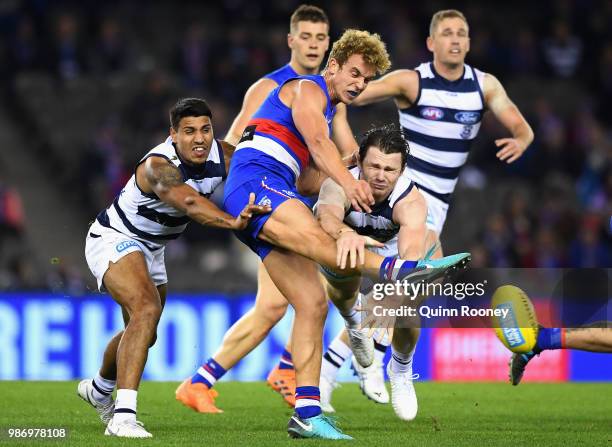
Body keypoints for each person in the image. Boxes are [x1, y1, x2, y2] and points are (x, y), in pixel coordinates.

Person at [203, 29, 468, 440]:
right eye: (356, 74)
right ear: (333, 67)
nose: (360, 85)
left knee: (311, 303)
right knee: (328, 248)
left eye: (366, 80)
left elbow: (308, 179)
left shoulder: (322, 111)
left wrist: (337, 169)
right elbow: (317, 141)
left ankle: (306, 412)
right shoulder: (309, 89)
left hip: (273, 190)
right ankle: (397, 269)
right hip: (256, 185)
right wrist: (348, 180)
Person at [320, 8, 535, 410]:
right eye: (447, 33)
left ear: (469, 43)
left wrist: (521, 138)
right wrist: (341, 133)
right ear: (431, 43)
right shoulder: (411, 81)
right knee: (410, 280)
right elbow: (347, 92)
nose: (455, 39)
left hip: (435, 202)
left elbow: (520, 125)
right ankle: (389, 367)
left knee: (405, 292)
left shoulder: (484, 87)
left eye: (462, 33)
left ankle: (337, 370)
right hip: (398, 190)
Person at [175, 4, 360, 412]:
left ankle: (205, 381)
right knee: (290, 300)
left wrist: (353, 170)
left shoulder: (332, 99)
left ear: (329, 46)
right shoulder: (270, 87)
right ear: (291, 40)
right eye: (306, 37)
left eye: (320, 37)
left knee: (283, 303)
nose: (313, 44)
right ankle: (282, 372)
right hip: (266, 199)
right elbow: (234, 140)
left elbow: (344, 150)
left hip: (303, 203)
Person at [77, 98, 270, 438]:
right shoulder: (157, 166)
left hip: (153, 249)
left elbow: (262, 168)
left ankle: (99, 389)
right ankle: (122, 418)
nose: (199, 139)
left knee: (143, 332)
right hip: (114, 237)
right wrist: (234, 222)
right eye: (189, 131)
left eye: (206, 130)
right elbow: (191, 204)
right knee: (146, 308)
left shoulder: (223, 155)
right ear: (174, 135)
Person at [316, 125, 430, 421]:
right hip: (345, 246)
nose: (381, 176)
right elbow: (325, 216)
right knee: (344, 291)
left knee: (408, 302)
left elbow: (411, 256)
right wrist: (344, 232)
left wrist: (404, 284)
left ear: (402, 171)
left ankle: (401, 369)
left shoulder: (411, 202)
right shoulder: (340, 183)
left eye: (390, 170)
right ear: (359, 162)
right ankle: (355, 324)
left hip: (389, 253)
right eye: (374, 166)